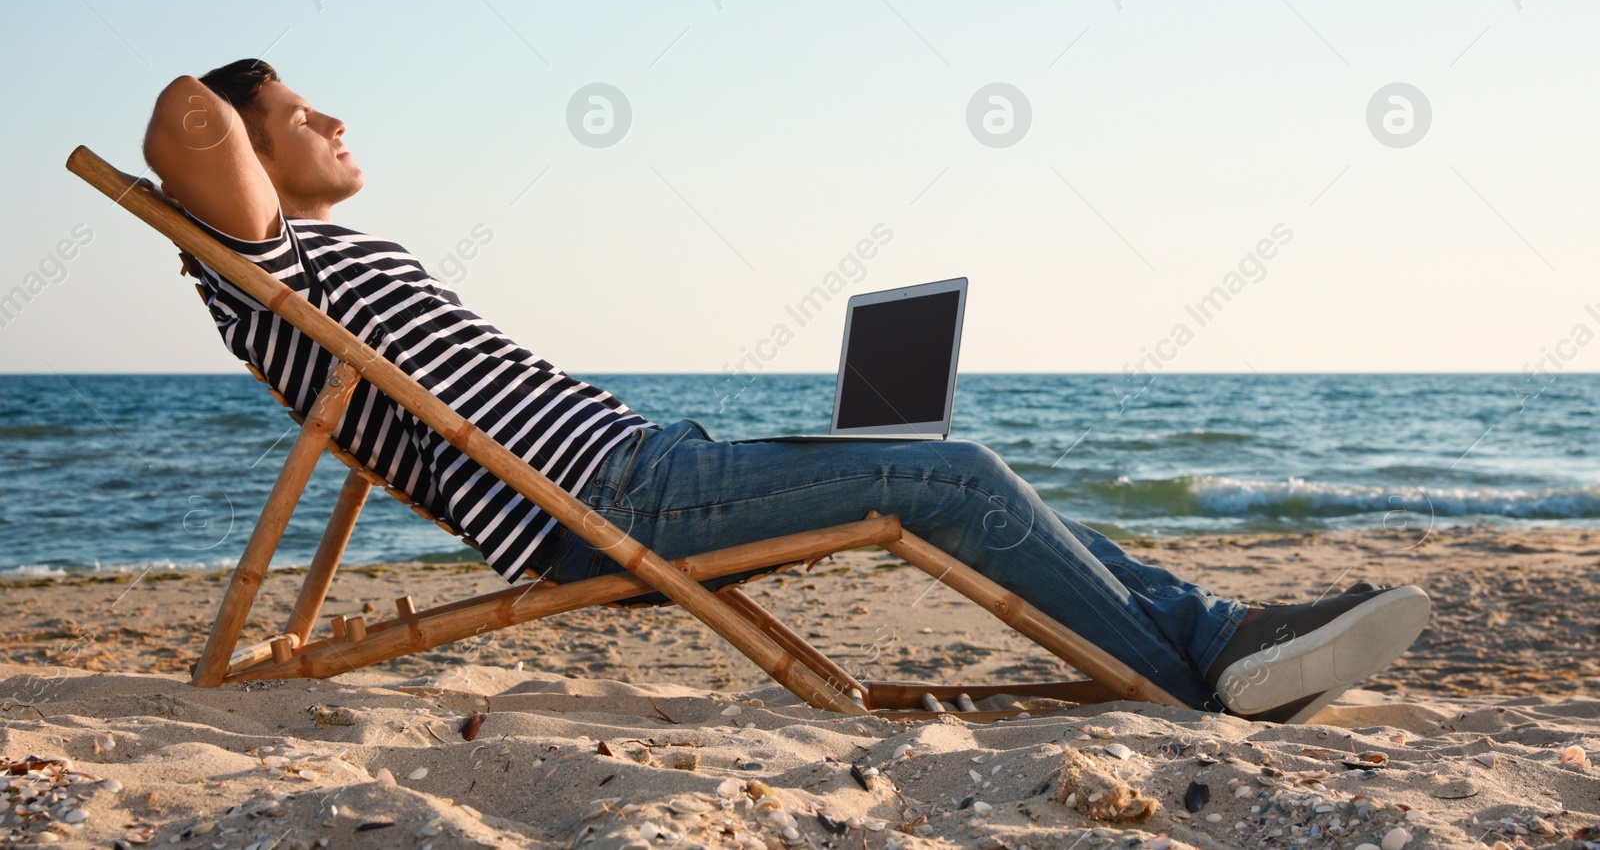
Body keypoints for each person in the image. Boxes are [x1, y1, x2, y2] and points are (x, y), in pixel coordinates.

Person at [140, 59, 1432, 722]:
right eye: (306, 112)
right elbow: (186, 115)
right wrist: (232, 122)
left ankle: (1217, 632)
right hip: (614, 498)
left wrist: (266, 129)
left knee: (935, 466)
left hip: (650, 456)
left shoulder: (331, 258)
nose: (339, 123)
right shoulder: (263, 262)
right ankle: (1199, 671)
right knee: (950, 475)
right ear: (248, 156)